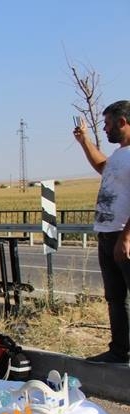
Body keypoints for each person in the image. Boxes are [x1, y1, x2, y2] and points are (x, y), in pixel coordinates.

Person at [73, 100, 130, 364]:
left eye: (108, 124)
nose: (105, 129)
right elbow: (102, 167)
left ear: (122, 122)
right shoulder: (120, 154)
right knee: (115, 298)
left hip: (122, 236)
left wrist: (126, 237)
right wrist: (84, 141)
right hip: (107, 235)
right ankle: (120, 352)